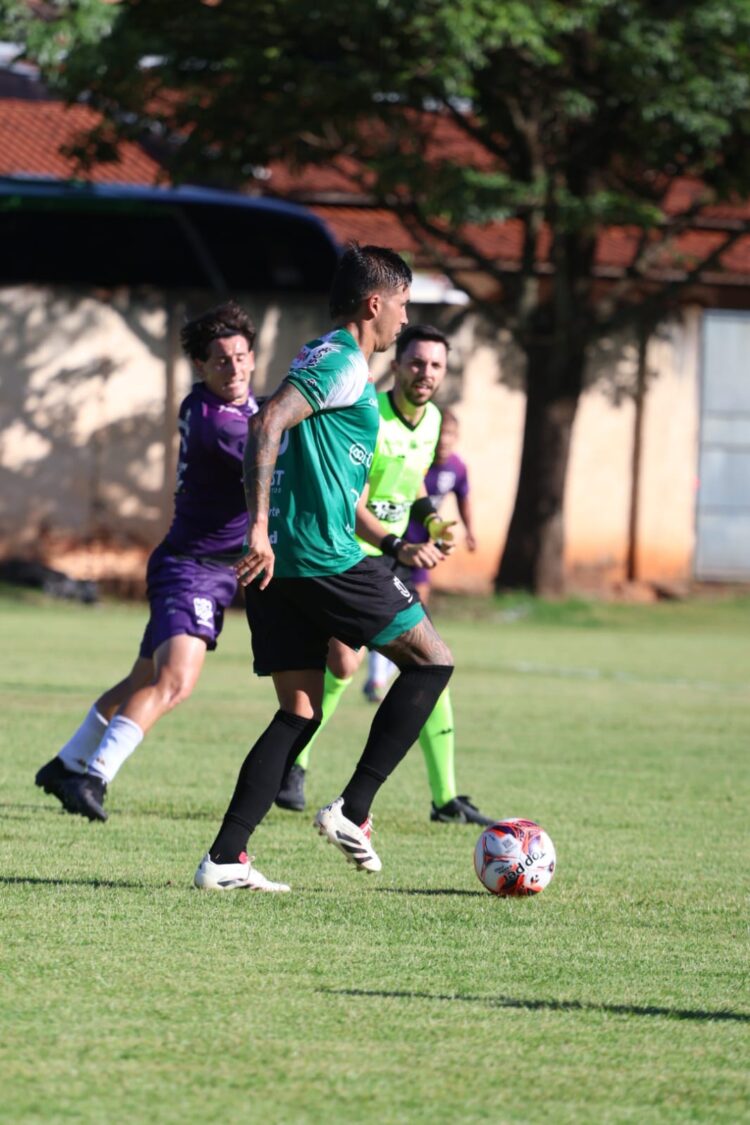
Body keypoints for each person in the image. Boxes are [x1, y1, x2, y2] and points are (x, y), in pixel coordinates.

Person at [193, 243, 455, 892]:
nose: (404, 317)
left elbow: (326, 471)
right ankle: (355, 809)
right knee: (433, 659)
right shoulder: (342, 362)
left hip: (282, 564)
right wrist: (256, 525)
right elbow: (266, 424)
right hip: (318, 556)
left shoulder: (322, 355)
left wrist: (391, 544)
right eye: (401, 303)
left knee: (300, 711)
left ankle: (226, 857)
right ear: (375, 303)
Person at [35, 301, 259, 822]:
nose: (235, 369)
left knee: (141, 681)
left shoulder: (227, 407)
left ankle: (67, 764)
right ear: (201, 367)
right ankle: (94, 778)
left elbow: (264, 415)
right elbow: (274, 455)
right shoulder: (217, 424)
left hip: (199, 566)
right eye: (221, 361)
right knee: (175, 682)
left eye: (242, 357)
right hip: (193, 570)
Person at [274, 325, 495, 827]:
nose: (426, 374)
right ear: (397, 366)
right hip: (351, 554)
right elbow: (347, 501)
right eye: (417, 363)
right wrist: (397, 543)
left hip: (394, 555)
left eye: (436, 366)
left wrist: (434, 520)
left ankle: (446, 798)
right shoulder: (368, 415)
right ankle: (296, 768)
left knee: (430, 666)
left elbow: (414, 479)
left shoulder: (434, 420)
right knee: (345, 668)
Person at [363, 406, 476, 697]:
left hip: (422, 548)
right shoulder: (410, 453)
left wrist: (448, 526)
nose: (445, 440)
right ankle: (377, 674)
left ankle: (382, 675)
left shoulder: (457, 468)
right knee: (355, 652)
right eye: (442, 435)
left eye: (451, 435)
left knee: (422, 632)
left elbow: (461, 498)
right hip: (388, 544)